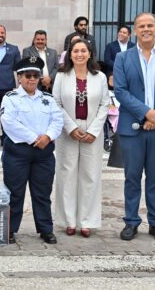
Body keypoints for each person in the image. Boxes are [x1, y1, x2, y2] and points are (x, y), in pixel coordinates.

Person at [114, 13, 155, 243]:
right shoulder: (123, 58)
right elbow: (121, 91)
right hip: (133, 127)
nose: (145, 29)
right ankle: (131, 222)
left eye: (149, 25)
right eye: (141, 26)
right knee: (131, 177)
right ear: (135, 30)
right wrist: (146, 113)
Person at [0, 56, 64, 244]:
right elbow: (8, 122)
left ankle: (45, 229)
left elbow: (58, 120)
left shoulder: (48, 99)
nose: (32, 79)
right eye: (27, 75)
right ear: (19, 77)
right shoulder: (10, 98)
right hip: (17, 153)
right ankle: (10, 229)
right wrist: (34, 138)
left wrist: (48, 137)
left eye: (35, 75)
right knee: (15, 192)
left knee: (42, 193)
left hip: (43, 154)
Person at [52, 39, 109, 238]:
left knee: (90, 175)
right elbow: (56, 103)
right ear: (70, 54)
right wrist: (71, 127)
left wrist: (93, 130)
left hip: (92, 128)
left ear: (90, 53)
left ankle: (86, 221)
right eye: (75, 51)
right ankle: (68, 220)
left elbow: (105, 104)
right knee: (67, 174)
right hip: (68, 129)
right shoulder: (61, 76)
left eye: (83, 50)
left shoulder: (99, 76)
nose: (79, 54)